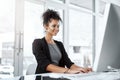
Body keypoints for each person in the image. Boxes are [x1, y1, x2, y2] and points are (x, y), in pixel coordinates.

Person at [32, 9, 92, 74]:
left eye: (58, 26)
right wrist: (68, 71)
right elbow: (45, 65)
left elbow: (69, 63)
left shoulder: (59, 44)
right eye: (54, 26)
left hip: (59, 77)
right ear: (46, 26)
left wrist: (82, 69)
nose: (57, 29)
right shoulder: (37, 43)